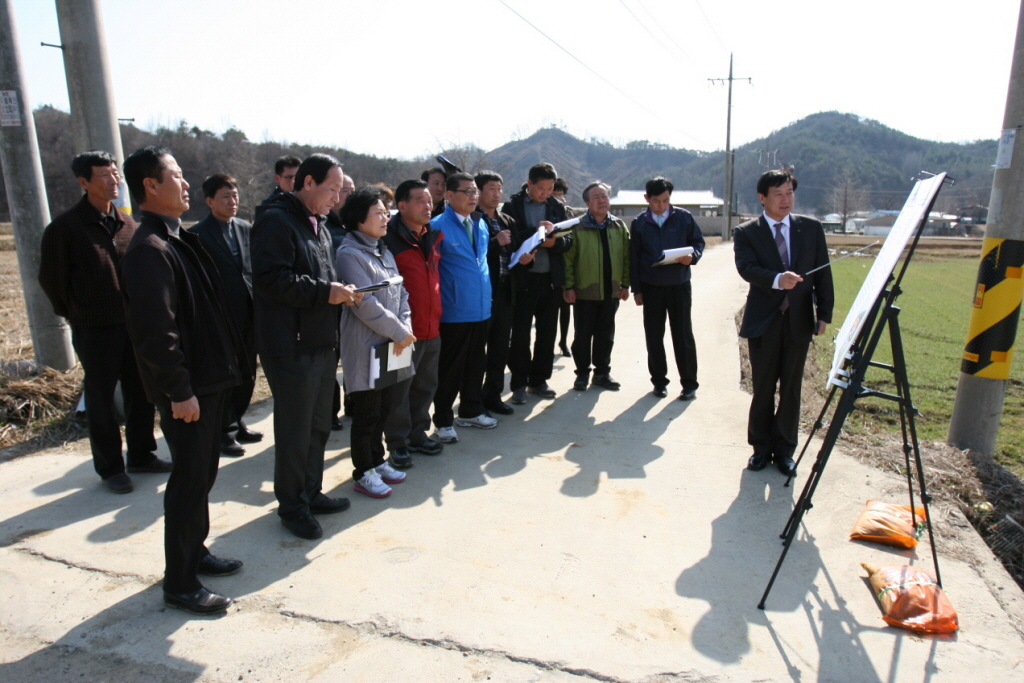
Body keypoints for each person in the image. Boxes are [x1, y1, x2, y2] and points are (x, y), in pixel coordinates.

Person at [120, 146, 245, 615]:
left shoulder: (175, 237)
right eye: (175, 175)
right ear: (151, 185)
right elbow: (157, 335)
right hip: (189, 391)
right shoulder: (149, 249)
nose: (186, 183)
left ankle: (197, 551)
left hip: (208, 381)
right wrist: (180, 391)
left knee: (203, 476)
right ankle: (180, 583)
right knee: (189, 482)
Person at [38, 150, 166, 494]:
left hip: (132, 325)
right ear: (84, 182)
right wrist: (77, 311)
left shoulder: (128, 224)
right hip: (94, 328)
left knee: (141, 392)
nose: (114, 181)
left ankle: (141, 454)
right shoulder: (66, 227)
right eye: (104, 176)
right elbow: (52, 280)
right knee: (101, 397)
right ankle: (111, 467)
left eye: (116, 175)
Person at [251, 153, 361, 540]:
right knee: (295, 430)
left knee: (318, 426)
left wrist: (337, 292)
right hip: (291, 345)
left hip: (320, 341)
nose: (337, 198)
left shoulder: (320, 225)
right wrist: (325, 292)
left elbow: (321, 276)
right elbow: (269, 279)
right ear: (308, 182)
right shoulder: (275, 220)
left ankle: (311, 492)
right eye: (332, 189)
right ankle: (292, 506)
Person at [734, 169, 834, 476]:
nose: (785, 199)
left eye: (789, 192)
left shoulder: (811, 229)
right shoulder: (748, 232)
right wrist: (778, 279)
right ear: (762, 198)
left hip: (799, 320)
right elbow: (747, 268)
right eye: (778, 194)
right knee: (763, 386)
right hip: (764, 320)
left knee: (791, 387)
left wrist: (824, 313)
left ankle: (786, 449)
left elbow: (823, 273)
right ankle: (761, 448)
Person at [336, 186, 414, 497]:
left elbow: (402, 293)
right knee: (366, 412)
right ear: (358, 219)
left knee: (384, 406)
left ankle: (377, 460)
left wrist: (404, 326)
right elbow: (364, 304)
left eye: (386, 212)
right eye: (378, 213)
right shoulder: (349, 254)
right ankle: (362, 471)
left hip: (392, 343)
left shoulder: (383, 250)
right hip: (367, 344)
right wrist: (399, 332)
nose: (386, 218)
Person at [189, 174, 261, 457]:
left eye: (235, 196)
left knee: (248, 371)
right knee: (226, 374)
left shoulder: (245, 228)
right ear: (209, 202)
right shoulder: (196, 234)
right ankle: (223, 432)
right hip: (219, 315)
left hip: (248, 310)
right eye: (225, 197)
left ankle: (238, 420)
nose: (233, 202)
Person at [382, 179, 445, 465]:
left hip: (431, 328)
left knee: (425, 386)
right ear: (402, 206)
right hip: (401, 332)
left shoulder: (430, 236)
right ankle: (397, 443)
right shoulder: (389, 240)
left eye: (429, 199)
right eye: (420, 199)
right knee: (398, 391)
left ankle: (418, 434)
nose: (428, 205)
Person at [431, 172, 495, 443]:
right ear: (449, 195)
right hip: (454, 310)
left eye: (474, 192)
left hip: (481, 307)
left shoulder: (479, 223)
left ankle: (470, 409)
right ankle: (443, 419)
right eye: (466, 192)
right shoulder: (437, 226)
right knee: (450, 367)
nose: (473, 197)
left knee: (476, 362)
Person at [630, 176, 705, 401]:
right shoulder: (640, 223)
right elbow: (634, 257)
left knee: (682, 335)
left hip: (679, 285)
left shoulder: (683, 217)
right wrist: (637, 289)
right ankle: (659, 383)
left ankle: (689, 384)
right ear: (647, 199)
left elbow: (698, 242)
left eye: (665, 200)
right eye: (656, 201)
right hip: (652, 287)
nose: (661, 206)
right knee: (654, 336)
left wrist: (692, 257)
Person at [502, 162, 571, 404]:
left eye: (550, 188)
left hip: (551, 279)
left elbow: (568, 239)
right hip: (524, 279)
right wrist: (536, 231)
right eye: (541, 188)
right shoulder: (513, 206)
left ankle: (539, 380)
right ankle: (519, 382)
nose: (545, 193)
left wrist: (555, 243)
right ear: (529, 184)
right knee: (520, 334)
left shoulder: (555, 206)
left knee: (547, 332)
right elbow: (511, 237)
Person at [563, 182, 631, 391]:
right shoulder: (577, 226)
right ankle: (582, 374)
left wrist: (626, 284)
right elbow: (568, 259)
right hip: (584, 291)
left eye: (604, 196)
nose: (602, 200)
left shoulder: (618, 226)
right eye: (596, 197)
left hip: (611, 291)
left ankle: (602, 373)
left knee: (605, 335)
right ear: (587, 203)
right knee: (582, 336)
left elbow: (627, 257)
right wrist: (569, 286)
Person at [475, 170, 530, 415]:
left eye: (499, 189)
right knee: (477, 351)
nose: (497, 194)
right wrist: (496, 242)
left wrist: (525, 257)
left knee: (499, 348)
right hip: (483, 294)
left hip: (507, 292)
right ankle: (473, 400)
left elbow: (515, 251)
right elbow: (470, 256)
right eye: (491, 189)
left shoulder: (507, 220)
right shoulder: (473, 220)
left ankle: (494, 395)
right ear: (478, 192)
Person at [326, 172, 356, 431]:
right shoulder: (323, 225)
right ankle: (330, 411)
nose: (348, 195)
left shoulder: (355, 224)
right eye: (344, 190)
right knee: (332, 360)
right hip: (331, 303)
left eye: (351, 190)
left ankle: (354, 402)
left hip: (356, 303)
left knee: (354, 356)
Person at [553, 176, 574, 357]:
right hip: (551, 267)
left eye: (562, 194)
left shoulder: (568, 213)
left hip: (566, 266)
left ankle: (563, 341)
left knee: (566, 308)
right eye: (556, 194)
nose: (560, 198)